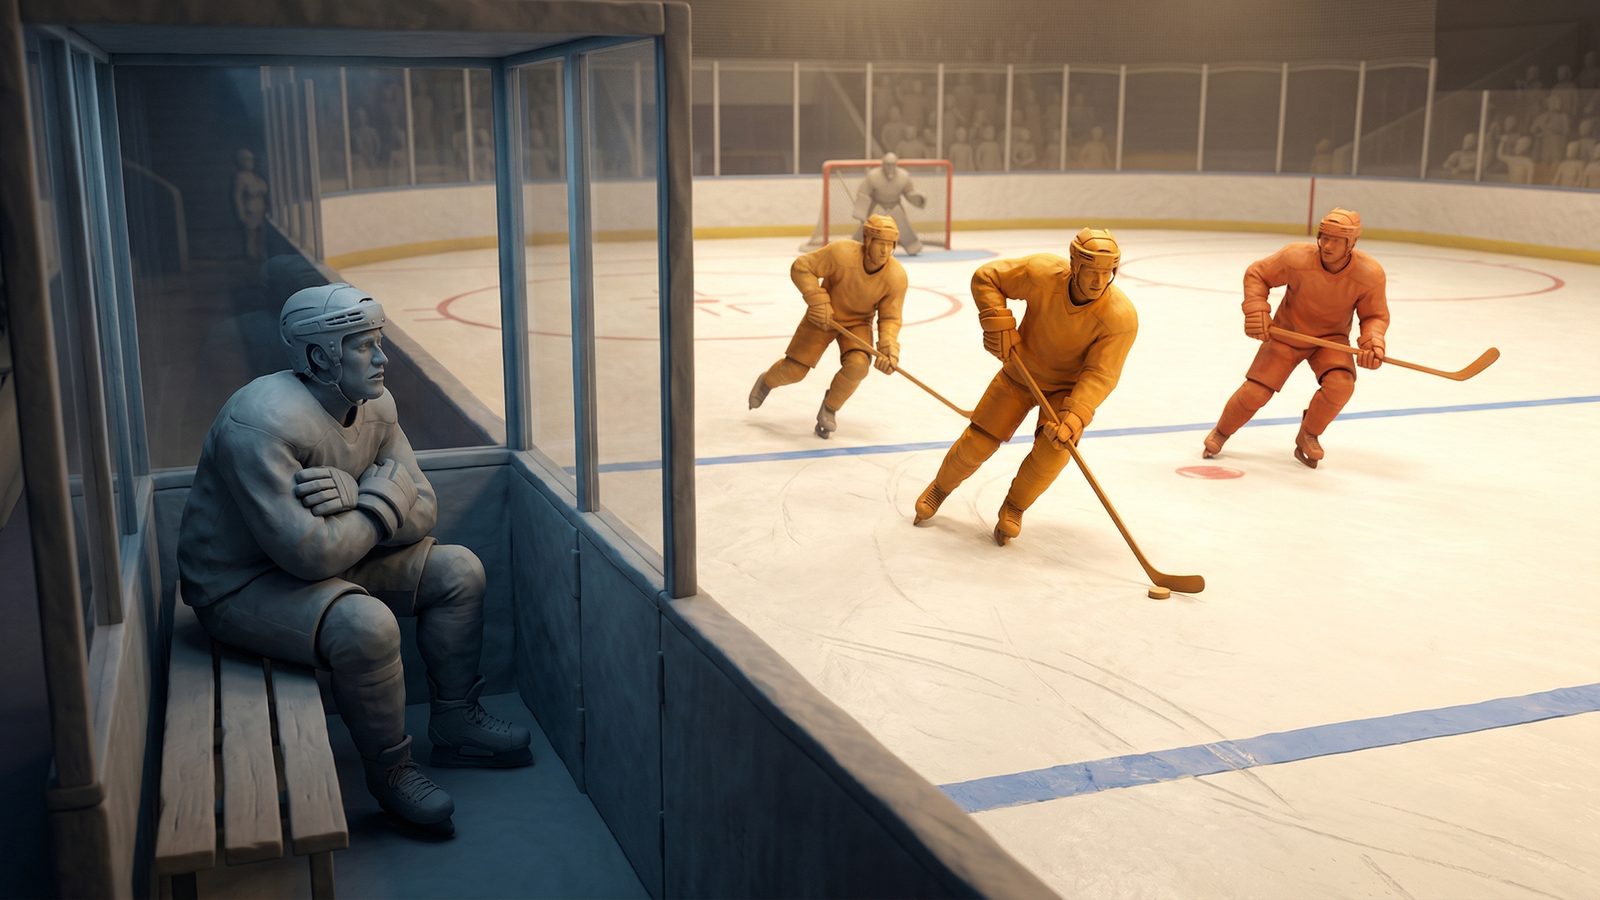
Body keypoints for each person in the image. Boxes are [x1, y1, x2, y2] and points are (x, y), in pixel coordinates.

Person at [178, 283, 532, 834]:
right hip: (242, 587)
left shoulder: (376, 405)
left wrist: (359, 495)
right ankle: (392, 771)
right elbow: (310, 555)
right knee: (366, 626)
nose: (384, 357)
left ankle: (456, 720)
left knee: (458, 571)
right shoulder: (259, 423)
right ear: (320, 357)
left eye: (379, 341)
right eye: (365, 345)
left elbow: (426, 510)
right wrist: (379, 501)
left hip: (331, 559)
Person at [912, 228, 1136, 546]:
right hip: (1020, 372)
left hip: (1064, 392)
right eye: (1092, 272)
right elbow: (986, 277)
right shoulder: (1042, 273)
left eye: (1107, 273)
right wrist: (997, 321)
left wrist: (1075, 415)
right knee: (978, 442)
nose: (1099, 283)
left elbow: (1101, 374)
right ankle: (940, 488)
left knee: (1054, 451)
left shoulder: (1120, 318)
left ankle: (1014, 507)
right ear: (1075, 264)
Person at [1201, 208, 1389, 468]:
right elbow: (1258, 274)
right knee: (1255, 392)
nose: (1327, 245)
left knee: (1341, 385)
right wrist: (1256, 309)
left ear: (1352, 243)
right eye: (1324, 237)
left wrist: (1372, 341)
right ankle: (1222, 431)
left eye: (1336, 240)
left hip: (1330, 341)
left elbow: (1374, 316)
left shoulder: (1369, 274)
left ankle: (1308, 434)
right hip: (1287, 334)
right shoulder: (1296, 257)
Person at [748, 215, 908, 439]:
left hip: (858, 323)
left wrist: (888, 348)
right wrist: (817, 299)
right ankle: (767, 381)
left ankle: (830, 408)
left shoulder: (896, 276)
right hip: (824, 317)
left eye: (890, 245)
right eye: (880, 243)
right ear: (867, 240)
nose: (884, 251)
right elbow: (802, 267)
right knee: (794, 371)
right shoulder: (841, 252)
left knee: (859, 366)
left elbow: (890, 317)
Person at [848, 153, 927, 256]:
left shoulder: (904, 176)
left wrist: (917, 198)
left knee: (903, 226)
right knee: (867, 227)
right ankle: (855, 245)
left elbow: (908, 192)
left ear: (896, 164)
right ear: (883, 164)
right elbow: (864, 193)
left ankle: (912, 246)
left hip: (895, 206)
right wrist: (861, 212)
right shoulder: (873, 175)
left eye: (893, 164)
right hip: (877, 206)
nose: (890, 167)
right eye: (888, 164)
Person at [232, 148, 269, 261]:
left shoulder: (255, 176)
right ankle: (251, 255)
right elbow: (237, 196)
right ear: (241, 161)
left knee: (261, 234)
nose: (251, 162)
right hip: (249, 210)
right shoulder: (240, 177)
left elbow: (264, 189)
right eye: (247, 160)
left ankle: (261, 253)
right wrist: (241, 214)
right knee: (250, 235)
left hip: (260, 209)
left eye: (252, 160)